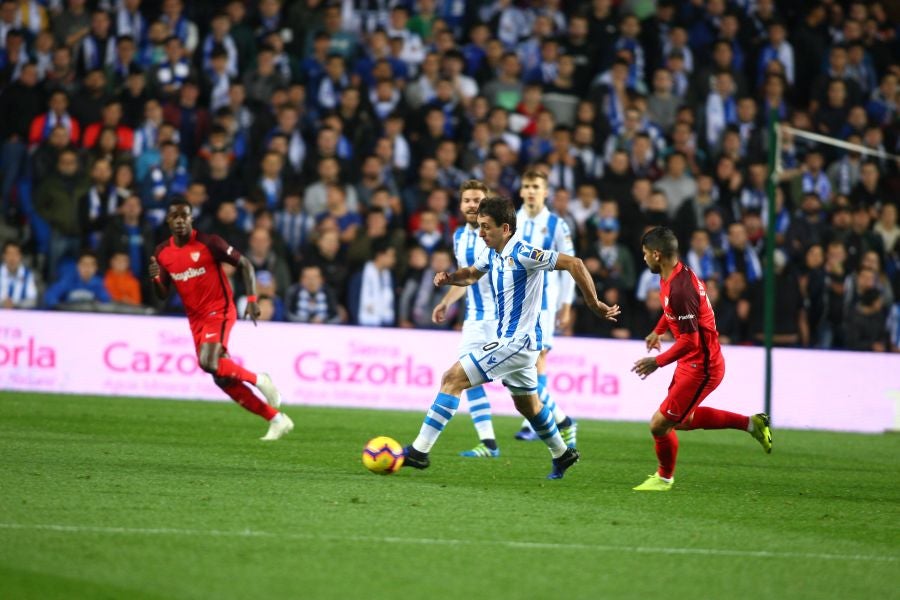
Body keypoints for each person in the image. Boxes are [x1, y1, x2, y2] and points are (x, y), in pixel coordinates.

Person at [403, 196, 621, 479]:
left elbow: (575, 263)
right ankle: (562, 453)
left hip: (518, 342)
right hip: (512, 341)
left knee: (452, 378)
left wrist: (593, 303)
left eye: (486, 227)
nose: (480, 233)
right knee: (527, 404)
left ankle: (419, 452)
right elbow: (471, 275)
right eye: (479, 226)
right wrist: (449, 277)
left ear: (505, 228)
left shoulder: (524, 252)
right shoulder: (492, 252)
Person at [630, 227, 772, 491]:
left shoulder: (681, 289)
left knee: (659, 424)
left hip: (703, 366)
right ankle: (752, 424)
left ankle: (664, 479)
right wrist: (659, 330)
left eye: (645, 253)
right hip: (692, 361)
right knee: (680, 420)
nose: (644, 258)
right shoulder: (674, 275)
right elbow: (671, 309)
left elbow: (690, 341)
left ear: (657, 254)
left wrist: (656, 363)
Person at [148, 197, 293, 441]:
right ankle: (277, 419)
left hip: (219, 309)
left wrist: (251, 300)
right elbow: (162, 294)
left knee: (207, 361)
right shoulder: (162, 252)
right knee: (222, 378)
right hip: (195, 318)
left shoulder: (209, 242)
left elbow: (245, 264)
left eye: (185, 216)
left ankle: (260, 379)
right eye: (175, 216)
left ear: (192, 218)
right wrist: (155, 278)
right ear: (168, 220)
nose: (180, 221)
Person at [431, 180, 500, 458]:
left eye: (477, 200)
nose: (472, 204)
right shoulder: (459, 236)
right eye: (467, 200)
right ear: (461, 205)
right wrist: (446, 302)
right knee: (462, 376)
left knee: (522, 388)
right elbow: (465, 278)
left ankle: (562, 425)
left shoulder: (500, 233)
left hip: (503, 319)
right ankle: (489, 443)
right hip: (474, 319)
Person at [513, 169, 578, 445]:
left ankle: (533, 421)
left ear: (545, 191)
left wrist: (565, 306)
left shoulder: (556, 225)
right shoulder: (510, 220)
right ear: (520, 190)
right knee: (519, 367)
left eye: (535, 186)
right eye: (526, 185)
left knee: (537, 360)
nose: (530, 190)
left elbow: (571, 266)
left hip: (543, 305)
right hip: (514, 305)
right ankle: (563, 420)